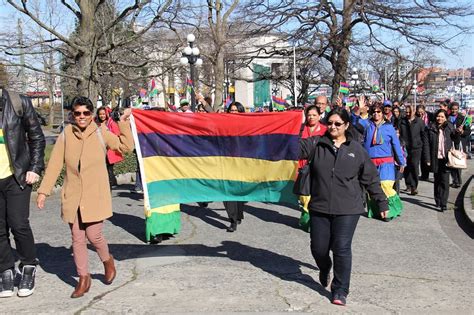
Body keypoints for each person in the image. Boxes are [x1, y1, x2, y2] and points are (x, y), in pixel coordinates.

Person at [36, 96, 134, 298]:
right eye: (77, 113)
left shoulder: (101, 132)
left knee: (94, 235)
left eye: (86, 113)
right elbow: (55, 164)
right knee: (77, 238)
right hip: (73, 195)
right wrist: (43, 191)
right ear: (73, 114)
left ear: (91, 115)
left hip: (95, 194)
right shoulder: (66, 134)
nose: (81, 117)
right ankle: (83, 278)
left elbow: (126, 147)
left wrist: (123, 123)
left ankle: (107, 260)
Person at [299, 108, 388, 306]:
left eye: (338, 124)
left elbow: (371, 178)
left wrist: (381, 201)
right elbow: (293, 148)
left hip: (348, 208)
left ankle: (340, 290)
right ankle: (325, 267)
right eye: (330, 123)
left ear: (346, 125)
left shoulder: (356, 150)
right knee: (318, 248)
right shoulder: (316, 143)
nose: (333, 127)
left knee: (341, 247)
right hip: (320, 206)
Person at [0, 88, 45, 298]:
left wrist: (35, 168)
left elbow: (37, 137)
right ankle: (6, 270)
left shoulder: (18, 102)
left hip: (16, 176)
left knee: (18, 224)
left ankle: (28, 266)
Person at [362, 102, 406, 221]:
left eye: (379, 112)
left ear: (382, 113)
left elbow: (396, 145)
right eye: (374, 112)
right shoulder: (367, 125)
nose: (376, 114)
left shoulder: (389, 127)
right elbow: (356, 122)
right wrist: (360, 110)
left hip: (386, 161)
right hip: (370, 161)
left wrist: (401, 162)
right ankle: (376, 211)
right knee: (372, 188)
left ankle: (393, 209)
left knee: (386, 185)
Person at [297, 105, 327, 231]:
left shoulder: (325, 129)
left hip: (319, 165)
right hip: (302, 166)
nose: (311, 117)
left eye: (314, 115)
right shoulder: (301, 129)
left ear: (319, 116)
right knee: (304, 196)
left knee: (316, 195)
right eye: (309, 115)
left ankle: (312, 221)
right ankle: (307, 215)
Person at [423, 109, 458, 211]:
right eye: (438, 116)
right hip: (435, 158)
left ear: (446, 118)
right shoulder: (430, 128)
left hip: (446, 158)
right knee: (437, 180)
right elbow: (426, 145)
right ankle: (437, 200)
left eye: (442, 117)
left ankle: (443, 203)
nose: (440, 118)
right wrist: (427, 159)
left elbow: (456, 140)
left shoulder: (449, 127)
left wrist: (458, 133)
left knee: (445, 181)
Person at [223, 102, 246, 232]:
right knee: (227, 191)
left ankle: (238, 215)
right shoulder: (224, 124)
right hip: (226, 161)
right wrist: (204, 103)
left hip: (242, 162)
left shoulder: (246, 125)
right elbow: (211, 118)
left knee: (239, 190)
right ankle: (232, 220)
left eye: (236, 110)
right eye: (231, 110)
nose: (233, 113)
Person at [399, 105, 425, 195]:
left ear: (414, 112)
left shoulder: (419, 122)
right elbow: (399, 133)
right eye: (406, 112)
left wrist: (421, 145)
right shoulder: (402, 121)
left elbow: (423, 135)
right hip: (405, 147)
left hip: (416, 148)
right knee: (406, 166)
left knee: (414, 166)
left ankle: (414, 186)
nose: (408, 114)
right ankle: (408, 184)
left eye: (410, 112)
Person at [95, 107, 124, 187]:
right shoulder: (95, 123)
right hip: (100, 149)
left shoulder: (111, 122)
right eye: (100, 114)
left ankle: (110, 182)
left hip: (109, 149)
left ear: (106, 114)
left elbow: (117, 134)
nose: (102, 116)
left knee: (109, 166)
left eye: (103, 114)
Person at [448, 102, 469, 188]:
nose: (454, 111)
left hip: (459, 143)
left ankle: (458, 180)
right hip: (450, 142)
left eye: (456, 109)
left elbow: (468, 131)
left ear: (458, 109)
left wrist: (462, 131)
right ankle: (454, 180)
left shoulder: (463, 118)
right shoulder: (447, 117)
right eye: (452, 109)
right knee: (451, 161)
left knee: (458, 161)